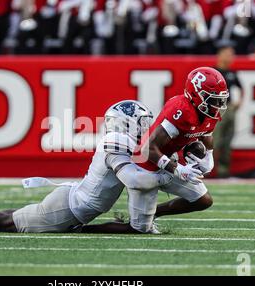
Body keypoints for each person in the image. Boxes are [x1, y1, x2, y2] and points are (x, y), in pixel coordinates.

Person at [0, 100, 173, 234]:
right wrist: (168, 175)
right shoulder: (116, 141)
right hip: (69, 209)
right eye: (141, 122)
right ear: (125, 124)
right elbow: (134, 180)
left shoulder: (123, 142)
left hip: (72, 201)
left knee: (13, 217)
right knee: (6, 224)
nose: (146, 128)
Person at [81, 67, 229, 233]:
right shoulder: (181, 110)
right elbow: (148, 149)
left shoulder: (208, 112)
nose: (218, 105)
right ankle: (83, 230)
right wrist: (178, 169)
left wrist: (208, 156)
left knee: (203, 200)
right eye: (213, 99)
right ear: (195, 95)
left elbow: (206, 134)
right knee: (138, 230)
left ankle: (153, 213)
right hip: (146, 167)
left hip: (167, 163)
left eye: (219, 100)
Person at [213, 43, 243, 177]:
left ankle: (223, 171)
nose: (231, 57)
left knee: (227, 140)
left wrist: (240, 102)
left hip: (229, 107)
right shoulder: (213, 72)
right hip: (217, 109)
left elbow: (241, 88)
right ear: (220, 54)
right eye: (228, 54)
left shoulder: (232, 73)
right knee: (215, 141)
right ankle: (208, 170)